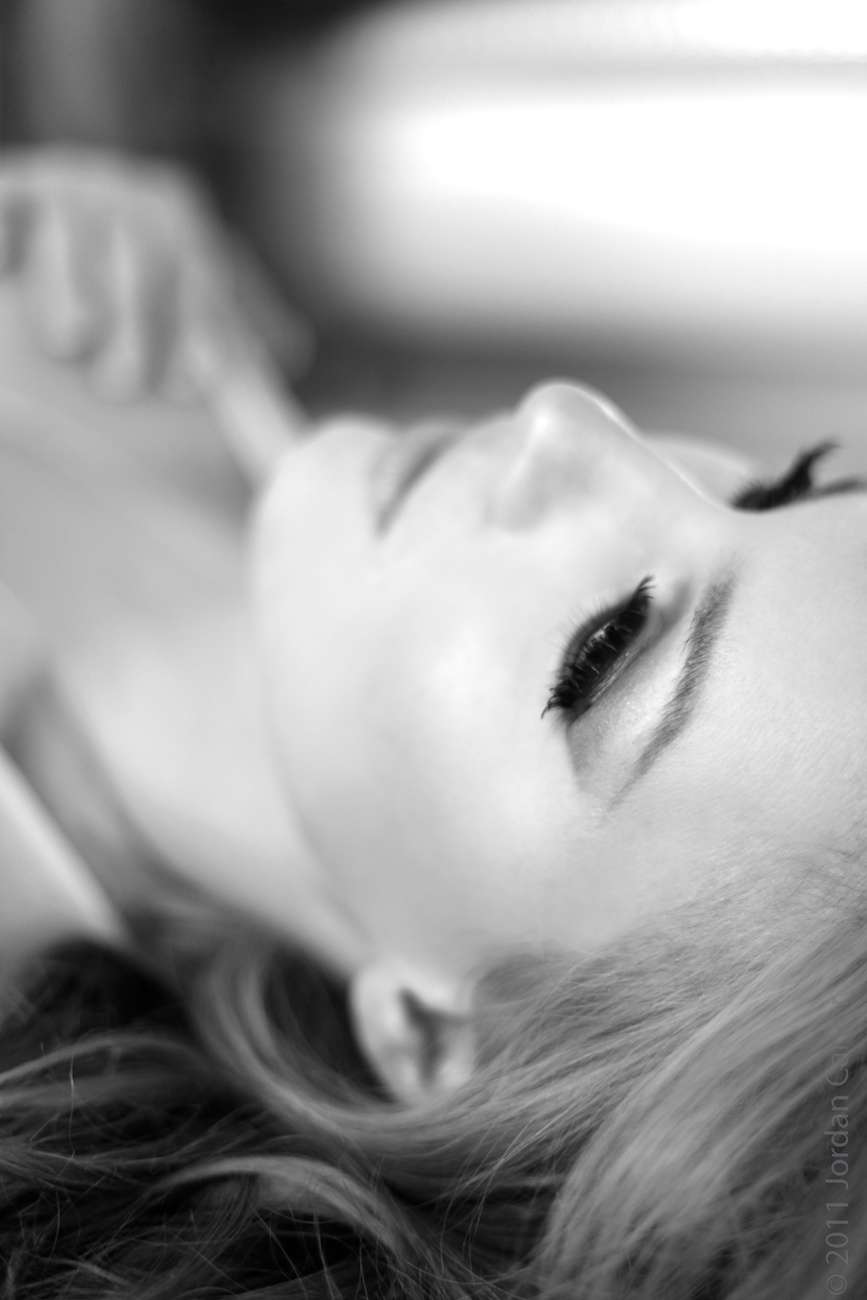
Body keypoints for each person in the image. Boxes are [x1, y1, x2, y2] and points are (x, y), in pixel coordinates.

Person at [1, 150, 866, 1299]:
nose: (571, 422)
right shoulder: (167, 352)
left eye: (604, 646)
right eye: (774, 488)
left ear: (439, 1040)